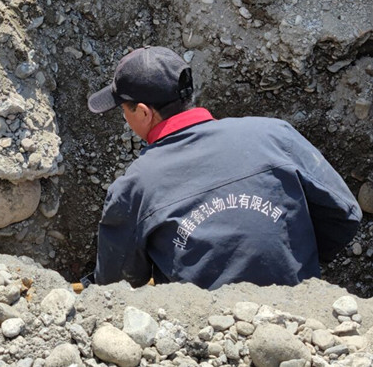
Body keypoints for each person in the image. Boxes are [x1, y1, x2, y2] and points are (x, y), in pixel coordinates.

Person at [87, 46, 362, 289]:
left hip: (207, 337)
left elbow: (116, 285)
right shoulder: (275, 135)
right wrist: (294, 259)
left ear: (144, 112)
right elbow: (345, 215)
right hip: (303, 322)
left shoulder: (135, 186)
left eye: (124, 109)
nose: (124, 118)